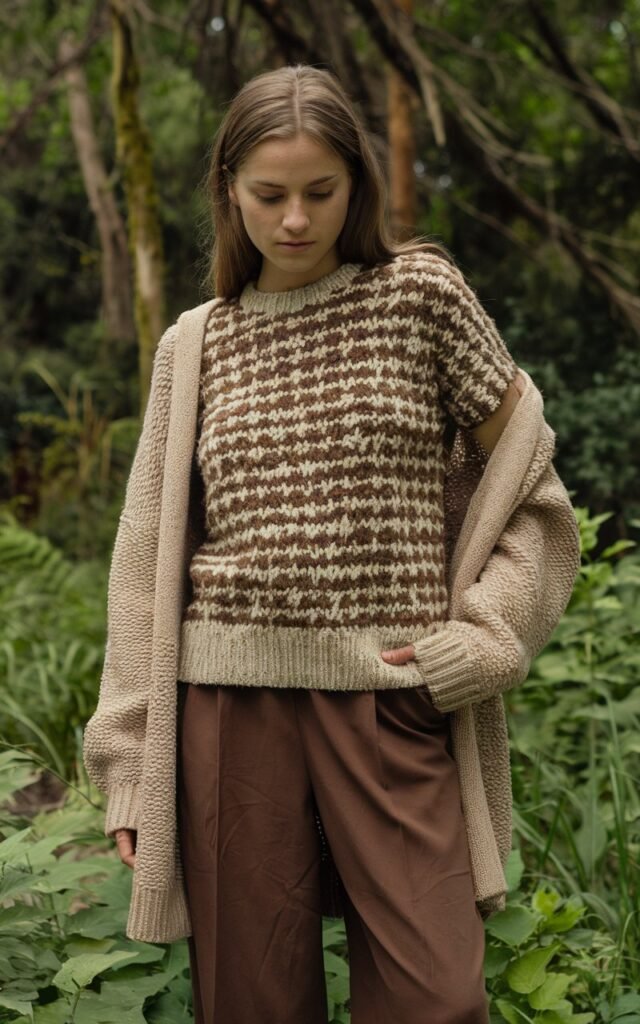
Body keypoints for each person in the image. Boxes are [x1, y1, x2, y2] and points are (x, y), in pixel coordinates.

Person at [83, 64, 581, 1024]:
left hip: (392, 699)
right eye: (269, 195)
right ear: (229, 188)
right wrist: (133, 764)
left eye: (321, 192)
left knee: (438, 996)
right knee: (254, 1003)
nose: (296, 219)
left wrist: (488, 638)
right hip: (228, 712)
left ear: (358, 185)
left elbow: (534, 491)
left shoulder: (420, 297)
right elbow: (143, 562)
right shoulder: (195, 344)